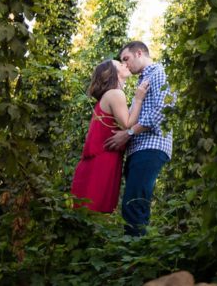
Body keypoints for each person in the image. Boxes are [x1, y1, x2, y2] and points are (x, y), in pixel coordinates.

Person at [105, 40, 173, 236]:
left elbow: (163, 111)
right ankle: (136, 253)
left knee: (134, 204)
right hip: (139, 148)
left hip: (151, 146)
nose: (125, 64)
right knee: (133, 203)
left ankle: (136, 256)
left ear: (139, 53)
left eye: (126, 59)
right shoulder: (143, 81)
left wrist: (128, 133)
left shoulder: (158, 73)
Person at [70, 59, 150, 212]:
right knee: (95, 209)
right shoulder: (115, 93)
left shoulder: (109, 95)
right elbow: (127, 124)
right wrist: (139, 99)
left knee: (89, 213)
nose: (125, 64)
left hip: (104, 158)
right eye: (120, 64)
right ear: (112, 73)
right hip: (103, 160)